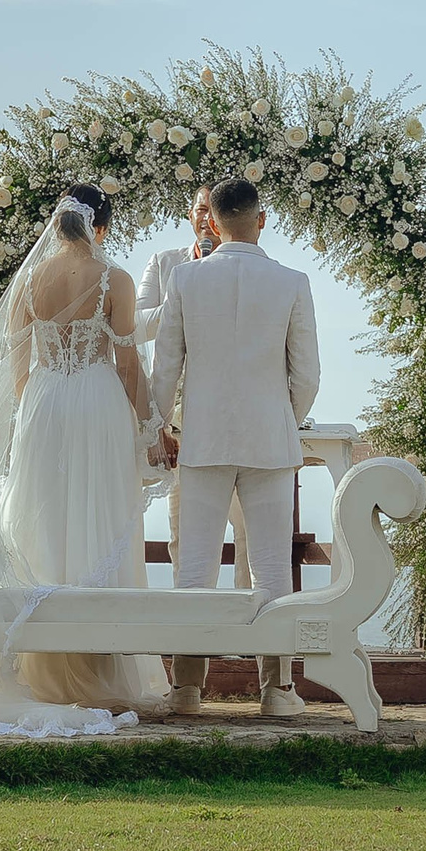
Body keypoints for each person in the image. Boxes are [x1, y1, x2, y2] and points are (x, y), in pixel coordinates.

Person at [0, 182, 173, 730]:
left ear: (58, 225)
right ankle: (100, 664)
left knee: (44, 522)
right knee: (98, 519)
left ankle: (39, 665)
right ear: (102, 227)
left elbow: (17, 364)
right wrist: (152, 427)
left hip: (44, 403)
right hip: (98, 405)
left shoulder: (29, 282)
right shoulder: (116, 279)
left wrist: (35, 413)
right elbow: (128, 364)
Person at [149, 175, 321, 719]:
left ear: (214, 222)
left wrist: (162, 427)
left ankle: (186, 689)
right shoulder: (292, 281)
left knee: (194, 568)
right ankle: (277, 689)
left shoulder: (185, 278)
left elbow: (165, 369)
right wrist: (284, 419)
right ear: (261, 220)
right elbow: (307, 375)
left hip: (202, 439)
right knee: (272, 569)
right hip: (269, 440)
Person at [137, 184, 254, 595]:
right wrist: (185, 294)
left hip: (238, 420)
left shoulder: (250, 268)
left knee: (248, 531)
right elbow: (135, 326)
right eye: (199, 209)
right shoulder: (165, 263)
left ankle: (247, 622)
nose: (206, 218)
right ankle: (190, 622)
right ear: (190, 215)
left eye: (212, 211)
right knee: (184, 534)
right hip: (181, 425)